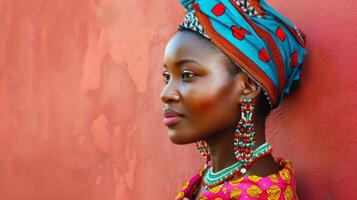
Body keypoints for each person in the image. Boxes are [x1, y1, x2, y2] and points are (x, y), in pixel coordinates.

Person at [160, 0, 307, 199]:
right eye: (167, 77)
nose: (166, 94)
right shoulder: (207, 181)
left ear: (247, 86)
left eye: (187, 75)